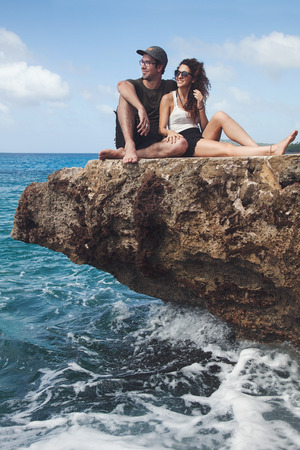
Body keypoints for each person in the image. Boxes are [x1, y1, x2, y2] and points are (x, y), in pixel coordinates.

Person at [159, 58, 298, 157]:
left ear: (193, 79)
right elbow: (161, 128)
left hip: (199, 138)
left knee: (219, 115)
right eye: (178, 72)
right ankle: (272, 150)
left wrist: (200, 106)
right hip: (185, 142)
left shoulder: (195, 98)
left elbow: (205, 128)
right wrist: (169, 132)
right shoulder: (168, 98)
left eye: (184, 74)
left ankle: (257, 150)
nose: (179, 76)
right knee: (228, 149)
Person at [98, 46, 188, 164]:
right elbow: (121, 85)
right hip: (129, 138)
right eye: (142, 62)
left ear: (160, 67)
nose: (142, 66)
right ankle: (129, 147)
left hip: (153, 144)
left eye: (148, 63)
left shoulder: (169, 86)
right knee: (124, 97)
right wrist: (140, 108)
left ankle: (123, 154)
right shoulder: (136, 85)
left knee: (181, 144)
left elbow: (188, 89)